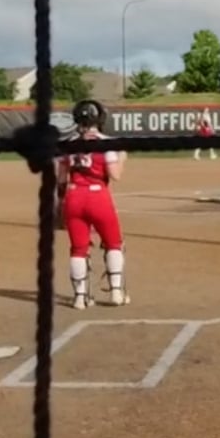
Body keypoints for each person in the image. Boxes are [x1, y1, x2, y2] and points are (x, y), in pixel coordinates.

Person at [58, 98, 127, 308]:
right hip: (98, 197)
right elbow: (115, 175)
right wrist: (123, 157)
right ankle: (116, 293)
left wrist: (61, 202)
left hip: (73, 196)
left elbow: (61, 178)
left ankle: (80, 297)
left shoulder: (67, 144)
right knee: (113, 243)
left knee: (78, 249)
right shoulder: (106, 143)